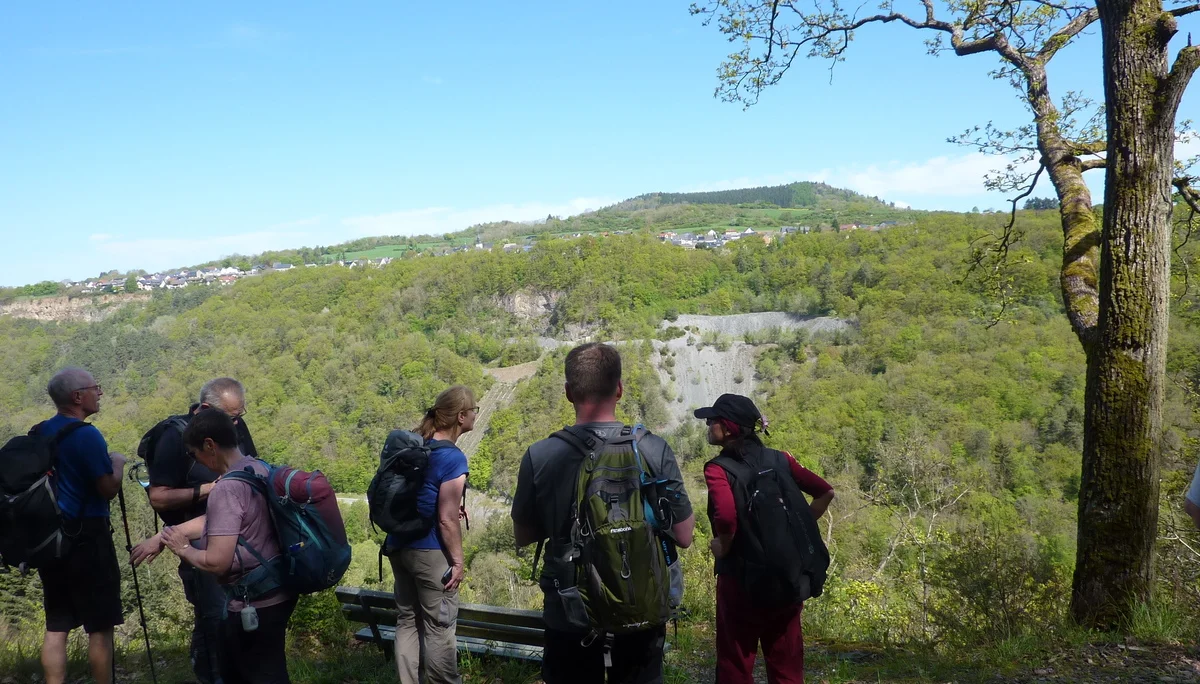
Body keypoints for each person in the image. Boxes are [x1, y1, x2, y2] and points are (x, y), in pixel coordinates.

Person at [511, 343, 695, 684]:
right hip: (642, 604)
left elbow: (524, 536)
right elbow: (683, 537)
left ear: (568, 393)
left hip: (570, 609)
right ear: (620, 389)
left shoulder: (540, 455)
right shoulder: (653, 449)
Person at [136, 409, 295, 684]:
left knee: (248, 674)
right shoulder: (259, 468)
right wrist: (165, 535)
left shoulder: (225, 489)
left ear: (210, 445)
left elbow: (217, 562)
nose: (194, 459)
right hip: (278, 592)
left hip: (251, 602)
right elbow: (220, 521)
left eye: (192, 453)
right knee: (271, 670)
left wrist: (182, 548)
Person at [698, 393, 835, 684]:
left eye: (712, 420)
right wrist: (797, 528)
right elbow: (825, 492)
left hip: (740, 582)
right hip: (788, 577)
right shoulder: (781, 459)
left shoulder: (718, 469)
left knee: (736, 661)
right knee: (786, 660)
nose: (708, 425)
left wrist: (722, 545)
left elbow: (725, 518)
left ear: (729, 427)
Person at [145, 377, 257, 684]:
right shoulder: (173, 438)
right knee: (214, 619)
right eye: (231, 417)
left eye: (239, 416)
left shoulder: (232, 426)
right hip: (199, 543)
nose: (236, 423)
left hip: (243, 540)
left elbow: (248, 470)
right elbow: (158, 497)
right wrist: (211, 489)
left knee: (237, 617)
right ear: (206, 409)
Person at [37, 367, 126, 684]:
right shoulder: (86, 435)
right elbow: (108, 489)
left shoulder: (40, 432)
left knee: (57, 625)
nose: (100, 392)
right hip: (88, 537)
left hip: (51, 540)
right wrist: (117, 461)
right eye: (95, 387)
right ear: (78, 397)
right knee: (100, 625)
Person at [385, 385, 475, 684]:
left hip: (399, 546)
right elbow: (447, 519)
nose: (475, 413)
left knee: (407, 621)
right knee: (439, 625)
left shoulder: (416, 447)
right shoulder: (453, 458)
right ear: (461, 417)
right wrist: (459, 562)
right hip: (430, 551)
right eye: (473, 410)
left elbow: (422, 497)